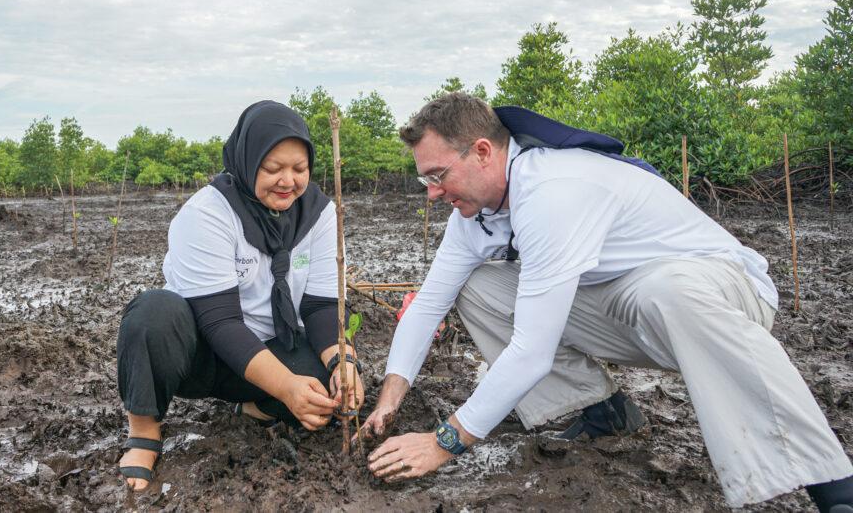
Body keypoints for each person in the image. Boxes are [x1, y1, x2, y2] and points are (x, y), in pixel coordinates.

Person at [361, 92, 853, 512]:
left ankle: (830, 482)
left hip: (719, 294)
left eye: (437, 175)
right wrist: (390, 396)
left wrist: (446, 442)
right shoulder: (473, 217)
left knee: (667, 290)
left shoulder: (553, 191)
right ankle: (602, 410)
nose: (432, 193)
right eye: (425, 180)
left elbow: (532, 349)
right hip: (625, 305)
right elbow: (428, 305)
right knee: (478, 286)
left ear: (484, 152)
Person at [116, 101, 364, 490]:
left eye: (299, 169)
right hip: (203, 354)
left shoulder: (319, 213)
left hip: (270, 349)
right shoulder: (208, 213)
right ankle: (144, 431)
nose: (288, 181)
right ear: (248, 163)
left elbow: (320, 307)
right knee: (153, 314)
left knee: (324, 389)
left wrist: (343, 364)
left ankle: (253, 405)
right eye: (273, 169)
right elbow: (220, 322)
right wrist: (286, 387)